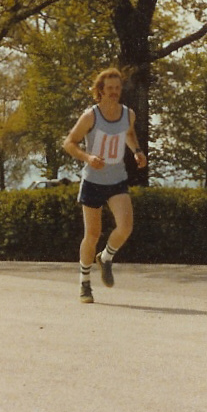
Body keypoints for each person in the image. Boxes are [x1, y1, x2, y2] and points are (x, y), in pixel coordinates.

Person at [63, 68, 147, 304]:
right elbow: (69, 142)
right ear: (100, 91)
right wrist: (87, 158)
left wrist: (137, 151)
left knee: (126, 226)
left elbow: (129, 134)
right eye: (109, 88)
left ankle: (106, 257)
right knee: (92, 234)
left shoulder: (128, 114)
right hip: (92, 181)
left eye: (117, 88)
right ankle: (84, 283)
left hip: (117, 179)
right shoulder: (91, 116)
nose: (114, 92)